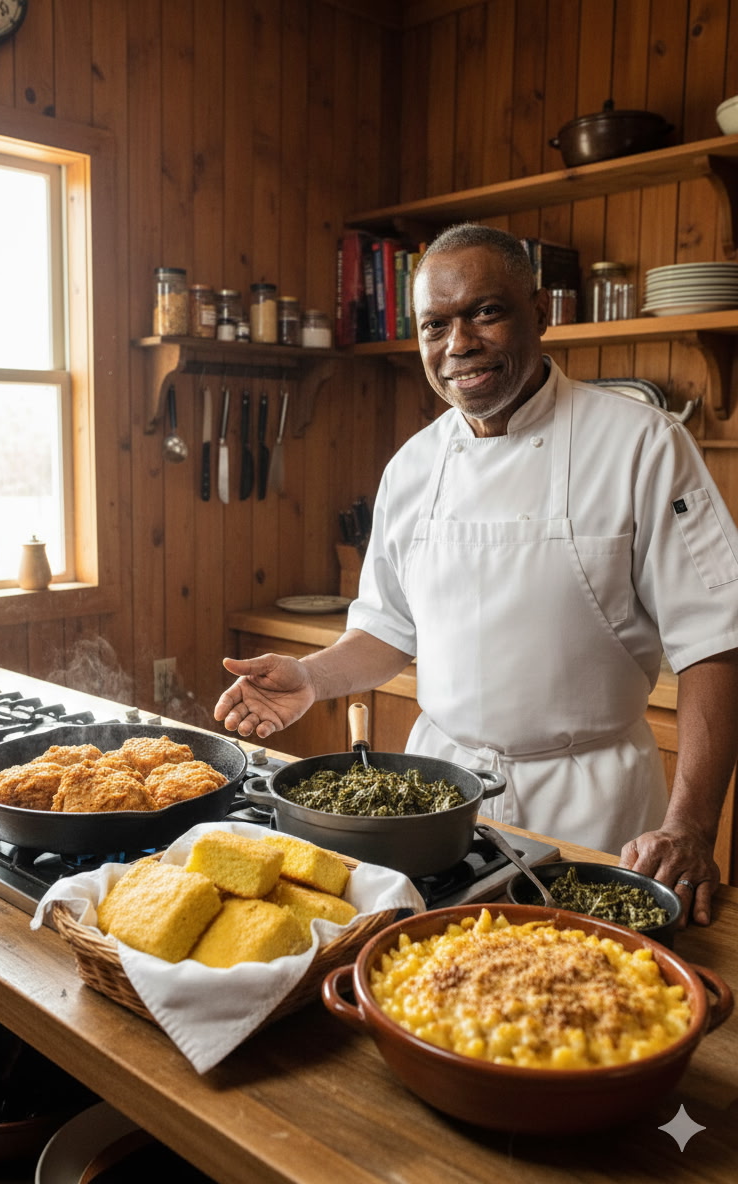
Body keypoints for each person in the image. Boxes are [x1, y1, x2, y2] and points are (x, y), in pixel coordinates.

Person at [215, 223, 738, 926]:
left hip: (593, 801)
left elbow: (717, 638)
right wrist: (312, 679)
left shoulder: (642, 444)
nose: (458, 344)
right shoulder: (412, 466)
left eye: (485, 312)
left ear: (539, 313)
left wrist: (691, 828)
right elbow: (387, 629)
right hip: (441, 801)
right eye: (436, 324)